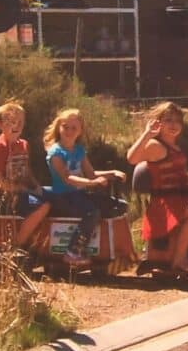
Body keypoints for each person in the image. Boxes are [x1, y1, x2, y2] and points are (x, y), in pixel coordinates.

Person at [126, 102, 188, 273]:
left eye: (177, 121)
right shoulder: (155, 146)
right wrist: (147, 134)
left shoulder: (176, 146)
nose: (173, 124)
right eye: (168, 120)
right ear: (158, 123)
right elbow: (132, 158)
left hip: (180, 197)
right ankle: (179, 258)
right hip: (166, 203)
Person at [43, 108, 126, 266]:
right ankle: (73, 251)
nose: (69, 131)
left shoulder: (79, 150)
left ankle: (109, 249)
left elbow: (91, 173)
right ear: (58, 127)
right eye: (65, 127)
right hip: (63, 196)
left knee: (118, 206)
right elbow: (68, 179)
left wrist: (112, 173)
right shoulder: (55, 153)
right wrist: (92, 183)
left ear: (80, 130)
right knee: (91, 212)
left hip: (79, 194)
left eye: (74, 128)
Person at [0, 101, 51, 247]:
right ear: (0, 124)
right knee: (42, 206)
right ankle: (17, 244)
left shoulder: (23, 145)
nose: (16, 126)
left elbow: (26, 172)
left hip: (22, 190)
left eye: (20, 122)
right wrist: (22, 189)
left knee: (53, 195)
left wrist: (36, 187)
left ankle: (41, 243)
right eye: (11, 122)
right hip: (4, 195)